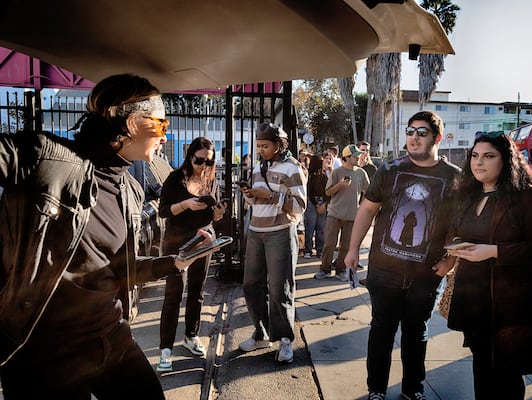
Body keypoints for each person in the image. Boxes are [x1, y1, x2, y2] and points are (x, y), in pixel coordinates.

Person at [0, 74, 211, 399]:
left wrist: (176, 262)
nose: (165, 137)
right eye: (162, 125)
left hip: (110, 338)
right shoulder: (46, 158)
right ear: (133, 124)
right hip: (47, 353)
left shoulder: (130, 192)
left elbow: (119, 269)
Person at [344, 111, 460, 400]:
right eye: (410, 131)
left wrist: (450, 261)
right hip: (385, 269)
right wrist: (352, 249)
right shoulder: (389, 170)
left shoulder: (454, 177)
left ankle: (412, 390)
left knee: (416, 332)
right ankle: (376, 390)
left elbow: (458, 225)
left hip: (426, 272)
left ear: (437, 138)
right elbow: (368, 209)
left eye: (422, 132)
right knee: (381, 330)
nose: (414, 137)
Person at [445, 130, 532, 400]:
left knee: (507, 374)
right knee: (482, 365)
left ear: (506, 160)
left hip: (512, 302)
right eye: (474, 156)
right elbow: (456, 229)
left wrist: (495, 251)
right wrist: (457, 245)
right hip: (474, 297)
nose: (479, 162)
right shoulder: (469, 194)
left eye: (488, 156)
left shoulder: (528, 196)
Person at [156, 137, 228, 372]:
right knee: (173, 294)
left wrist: (217, 214)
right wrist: (186, 204)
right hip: (178, 242)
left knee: (197, 291)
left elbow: (214, 215)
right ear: (190, 156)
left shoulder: (211, 179)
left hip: (203, 240)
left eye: (209, 161)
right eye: (199, 160)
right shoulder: (176, 178)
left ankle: (191, 335)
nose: (203, 166)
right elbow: (163, 211)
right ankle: (165, 348)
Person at [238, 122, 307, 363]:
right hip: (256, 231)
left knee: (280, 288)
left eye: (265, 145)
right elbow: (256, 202)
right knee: (250, 285)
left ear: (279, 145)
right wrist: (250, 196)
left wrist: (269, 195)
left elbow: (299, 206)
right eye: (258, 146)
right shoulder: (258, 167)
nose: (261, 150)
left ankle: (285, 339)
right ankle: (261, 333)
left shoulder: (293, 168)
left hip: (280, 232)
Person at [314, 144, 369, 281]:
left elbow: (368, 192)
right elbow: (328, 192)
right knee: (329, 244)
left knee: (346, 246)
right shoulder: (337, 172)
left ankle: (341, 270)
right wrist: (340, 185)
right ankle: (324, 269)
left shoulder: (361, 173)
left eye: (359, 155)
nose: (358, 157)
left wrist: (362, 207)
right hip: (334, 214)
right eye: (355, 155)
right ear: (348, 157)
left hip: (352, 216)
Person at [303, 152, 330, 258]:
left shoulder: (324, 177)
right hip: (311, 203)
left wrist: (324, 204)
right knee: (310, 228)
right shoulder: (309, 177)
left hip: (321, 203)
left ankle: (319, 250)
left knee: (321, 229)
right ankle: (308, 250)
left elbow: (328, 192)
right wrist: (318, 205)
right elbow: (308, 192)